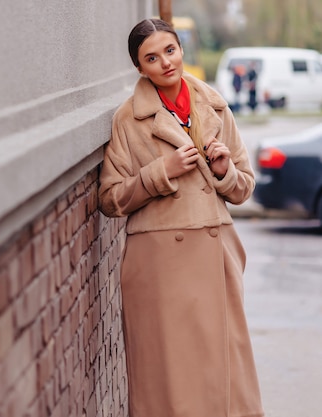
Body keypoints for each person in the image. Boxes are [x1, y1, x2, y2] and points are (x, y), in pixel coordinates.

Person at [98, 18, 264, 417]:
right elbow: (109, 199)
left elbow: (244, 188)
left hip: (215, 255)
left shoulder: (216, 106)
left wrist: (224, 171)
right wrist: (161, 172)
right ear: (140, 68)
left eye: (169, 51)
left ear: (181, 50)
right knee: (171, 379)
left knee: (226, 377)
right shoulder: (128, 119)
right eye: (151, 58)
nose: (165, 63)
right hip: (159, 261)